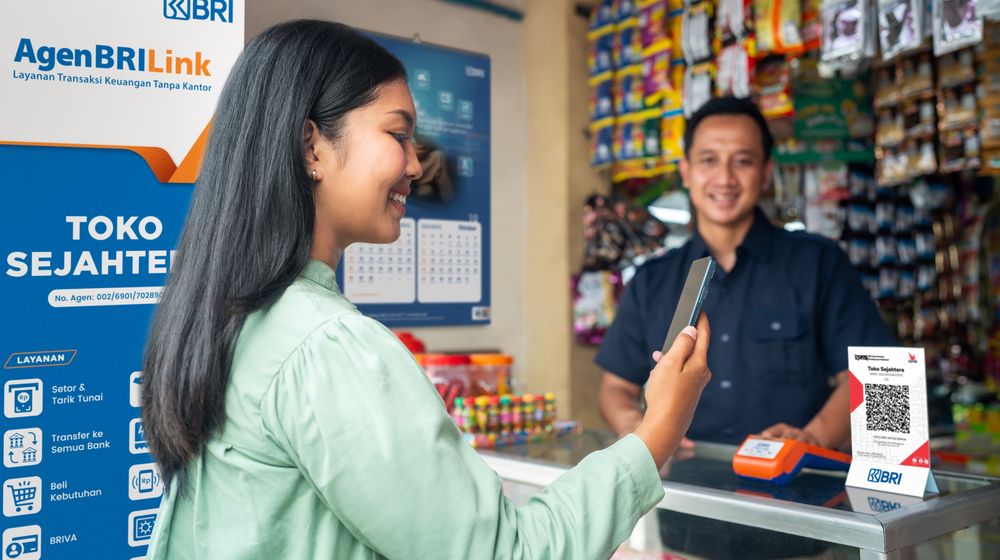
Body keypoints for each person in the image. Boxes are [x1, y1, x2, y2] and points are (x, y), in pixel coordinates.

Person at [141, 19, 712, 559]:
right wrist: (659, 428)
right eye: (398, 134)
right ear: (311, 146)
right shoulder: (328, 346)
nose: (416, 165)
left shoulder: (233, 317)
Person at [597, 96, 897, 452]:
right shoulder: (651, 280)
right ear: (686, 171)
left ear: (766, 172)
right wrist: (635, 428)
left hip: (799, 493)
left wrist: (814, 437)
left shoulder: (819, 263)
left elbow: (880, 377)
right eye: (709, 160)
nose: (724, 178)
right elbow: (615, 388)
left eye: (743, 161)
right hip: (684, 494)